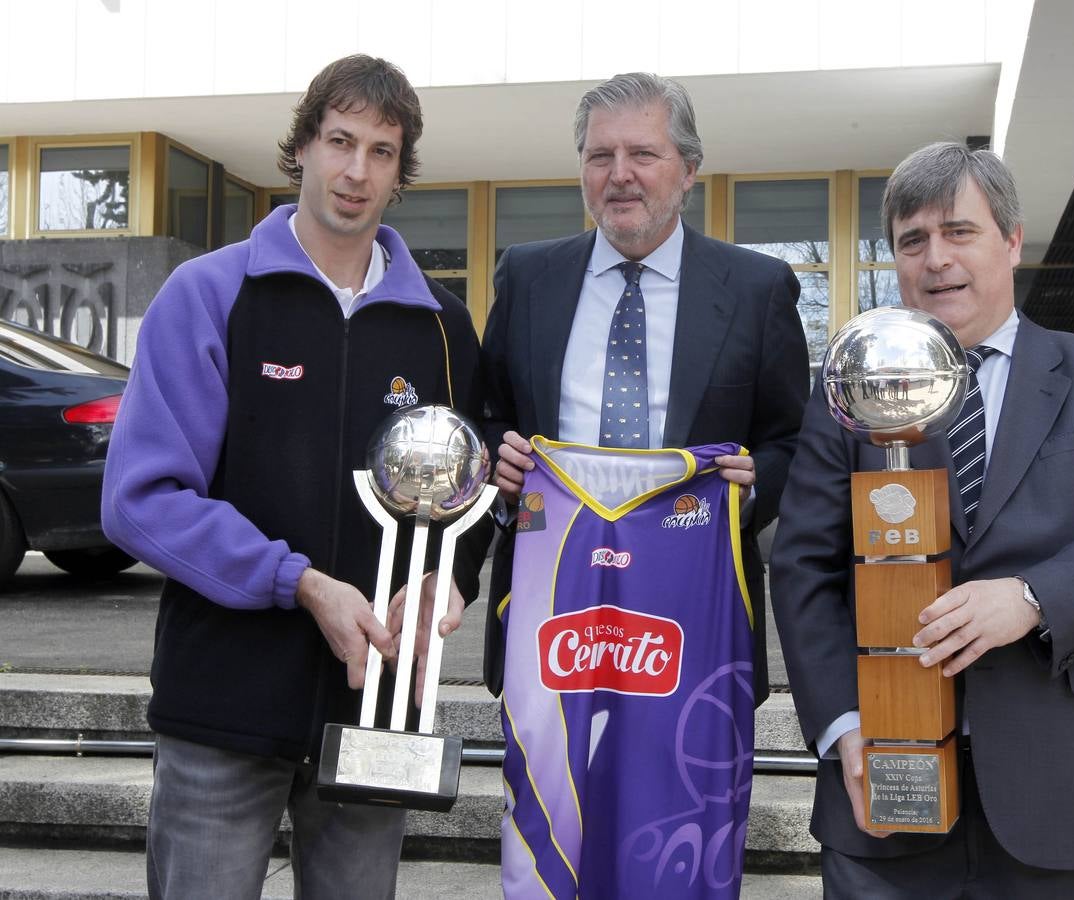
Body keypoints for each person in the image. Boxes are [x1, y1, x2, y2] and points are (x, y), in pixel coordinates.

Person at [770, 141, 1074, 898]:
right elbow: (803, 567)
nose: (934, 259)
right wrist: (841, 727)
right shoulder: (851, 391)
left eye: (957, 232)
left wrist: (1031, 596)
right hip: (885, 786)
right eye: (912, 240)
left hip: (1064, 787)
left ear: (1009, 241)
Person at [101, 55, 489, 899]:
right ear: (302, 149)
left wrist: (444, 582)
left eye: (381, 151)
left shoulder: (443, 327)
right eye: (339, 142)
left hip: (375, 708)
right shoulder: (208, 294)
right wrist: (298, 582)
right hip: (224, 707)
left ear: (399, 172)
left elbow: (471, 494)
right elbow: (141, 502)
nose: (356, 171)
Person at [480, 72, 809, 897]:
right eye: (599, 156)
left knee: (676, 842)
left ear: (687, 169)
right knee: (552, 836)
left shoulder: (757, 289)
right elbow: (485, 418)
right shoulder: (527, 277)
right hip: (552, 619)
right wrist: (499, 458)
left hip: (690, 628)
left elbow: (795, 440)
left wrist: (754, 479)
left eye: (642, 154)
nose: (619, 174)